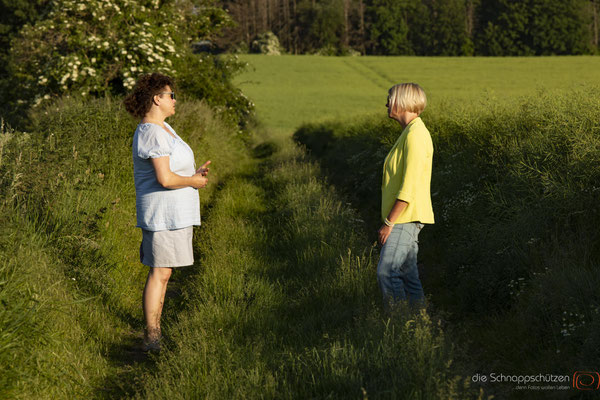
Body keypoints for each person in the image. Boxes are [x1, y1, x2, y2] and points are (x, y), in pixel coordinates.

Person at [124, 73, 210, 351]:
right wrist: (193, 181)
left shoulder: (164, 129)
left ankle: (154, 333)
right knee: (159, 273)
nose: (175, 100)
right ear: (157, 99)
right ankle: (152, 337)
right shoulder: (151, 132)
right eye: (171, 95)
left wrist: (192, 174)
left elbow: (173, 170)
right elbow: (164, 179)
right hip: (162, 216)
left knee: (164, 272)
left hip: (173, 214)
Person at [376, 83, 434, 310]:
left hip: (405, 218)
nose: (386, 103)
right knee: (409, 277)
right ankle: (418, 329)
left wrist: (389, 222)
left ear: (402, 101)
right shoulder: (410, 133)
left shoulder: (416, 135)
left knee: (387, 273)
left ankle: (400, 325)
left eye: (390, 98)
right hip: (406, 216)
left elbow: (408, 186)